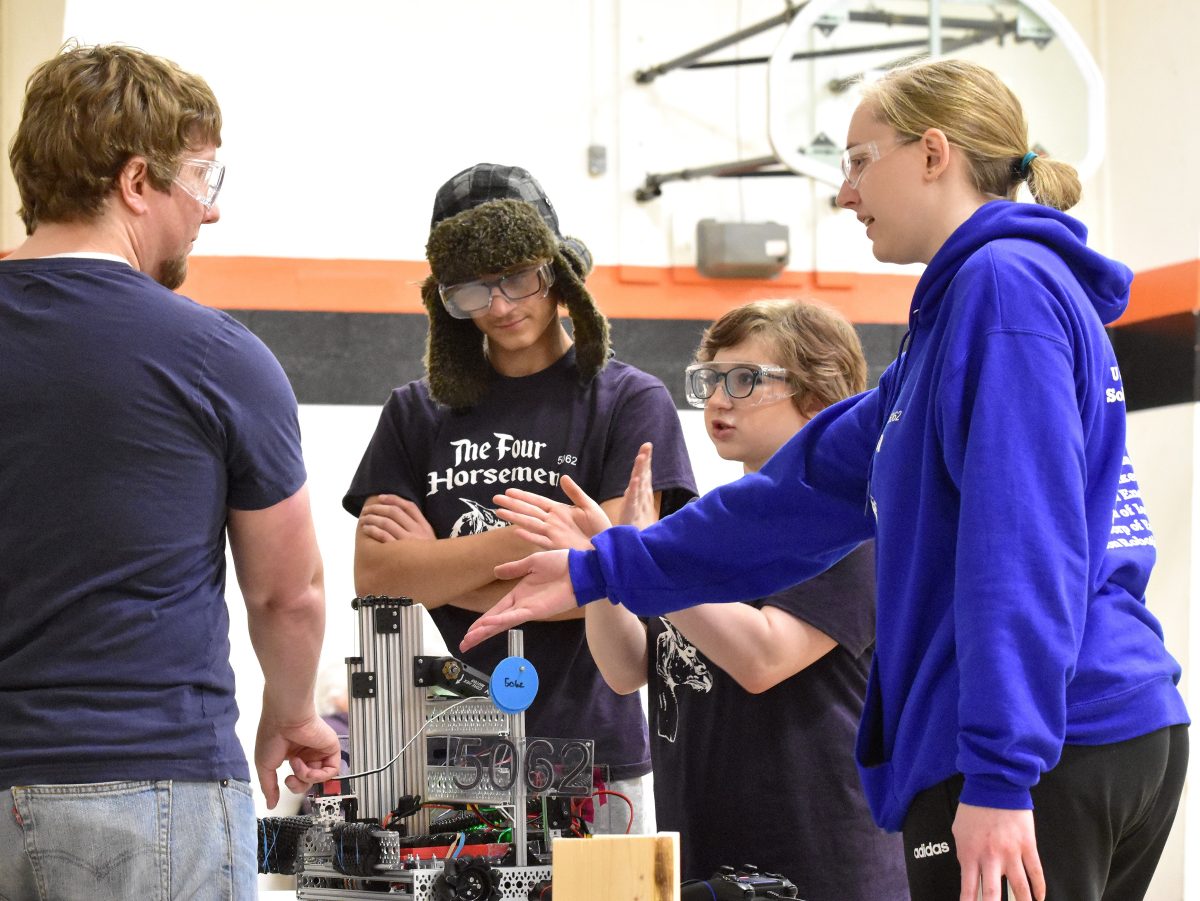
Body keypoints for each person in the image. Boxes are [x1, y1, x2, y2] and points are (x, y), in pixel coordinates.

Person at [461, 59, 1190, 901]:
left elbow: (1020, 541)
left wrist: (998, 770)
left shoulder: (1003, 289)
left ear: (932, 153)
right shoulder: (958, 316)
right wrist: (601, 568)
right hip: (1077, 728)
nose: (843, 194)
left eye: (856, 160)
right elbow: (790, 501)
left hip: (1044, 741)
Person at [0, 44, 340, 899]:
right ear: (135, 181)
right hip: (149, 782)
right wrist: (293, 712)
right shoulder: (216, 356)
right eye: (201, 178)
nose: (209, 212)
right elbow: (287, 591)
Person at [493, 300, 909, 898]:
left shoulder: (852, 531)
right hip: (708, 856)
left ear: (820, 399)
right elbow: (625, 668)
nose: (717, 400)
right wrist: (613, 577)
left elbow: (764, 659)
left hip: (821, 860)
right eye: (709, 381)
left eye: (743, 381)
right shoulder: (705, 536)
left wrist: (632, 562)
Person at [343, 163, 696, 833]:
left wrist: (441, 570)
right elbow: (379, 576)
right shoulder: (415, 413)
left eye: (516, 277)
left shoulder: (630, 401)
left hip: (593, 751)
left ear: (556, 267)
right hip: (443, 750)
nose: (499, 306)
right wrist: (566, 551)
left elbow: (637, 569)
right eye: (471, 290)